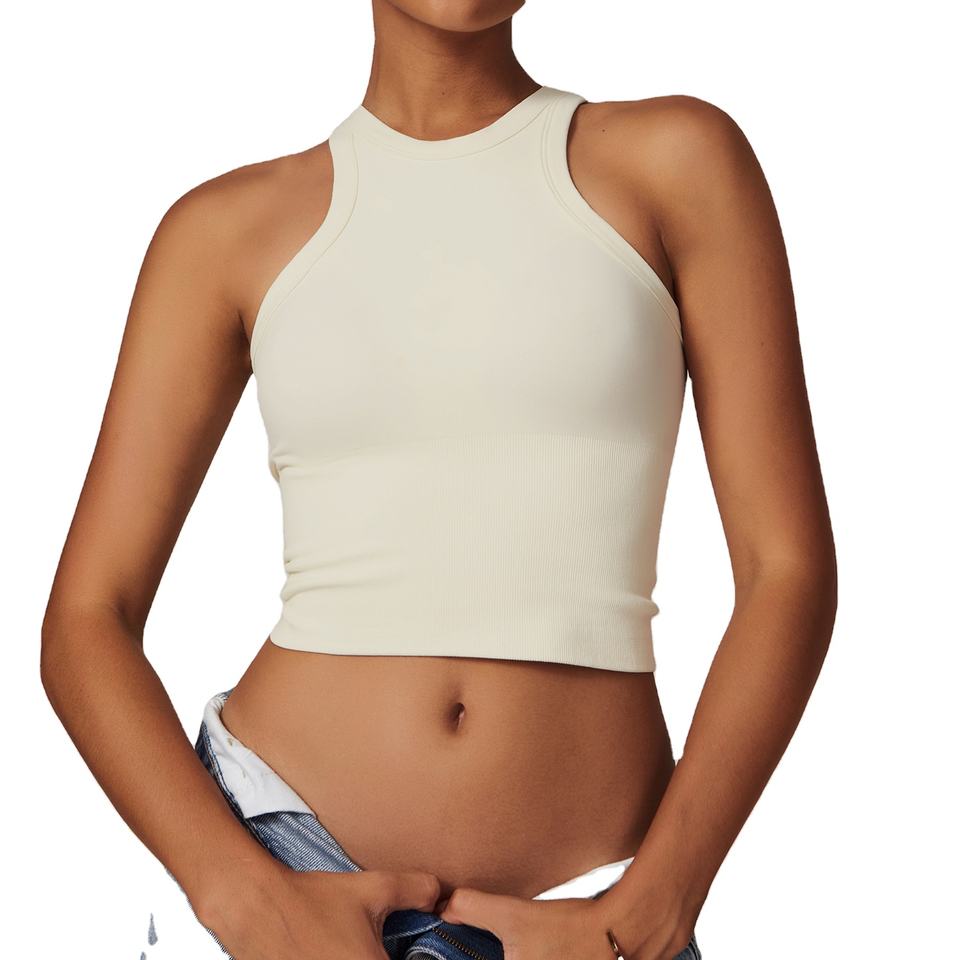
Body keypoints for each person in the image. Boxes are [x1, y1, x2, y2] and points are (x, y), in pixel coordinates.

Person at [39, 2, 838, 959]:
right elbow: (87, 619)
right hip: (281, 872)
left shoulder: (677, 164)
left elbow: (786, 570)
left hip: (589, 914)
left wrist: (659, 901)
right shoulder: (224, 232)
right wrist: (241, 896)